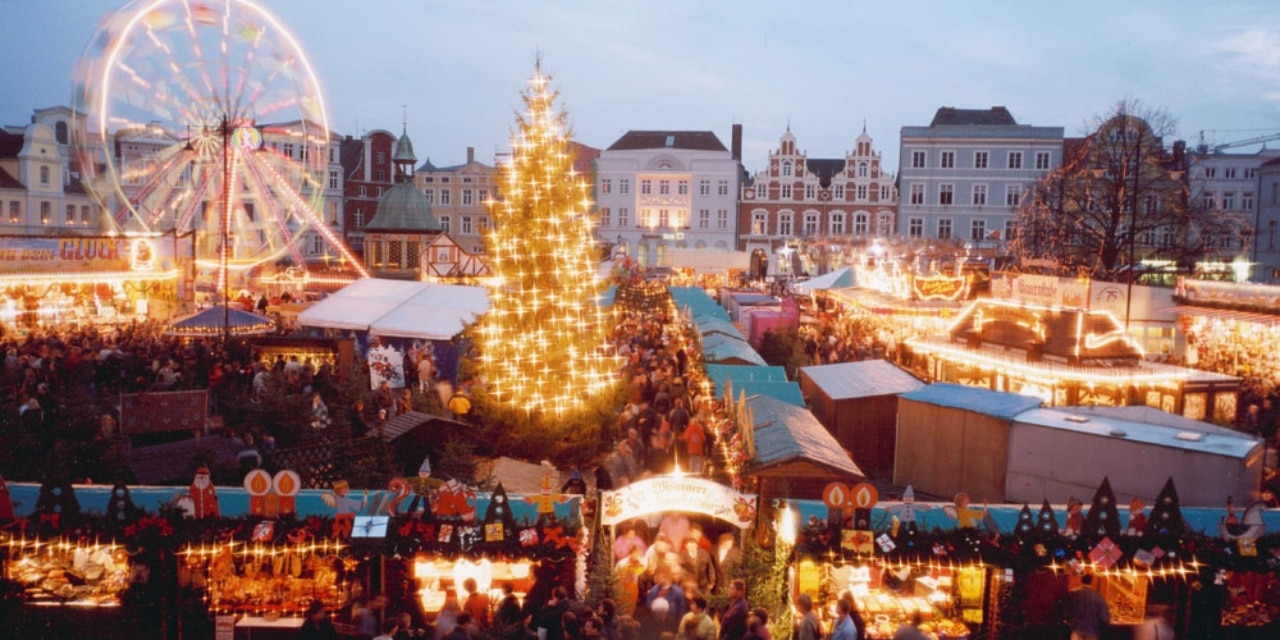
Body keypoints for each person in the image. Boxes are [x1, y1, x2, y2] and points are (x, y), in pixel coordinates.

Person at [1063, 574, 1110, 640]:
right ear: (1091, 581)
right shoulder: (1098, 597)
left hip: (1077, 631)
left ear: (1081, 580)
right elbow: (1104, 618)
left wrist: (1070, 622)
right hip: (1092, 632)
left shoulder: (1073, 594)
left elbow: (1066, 612)